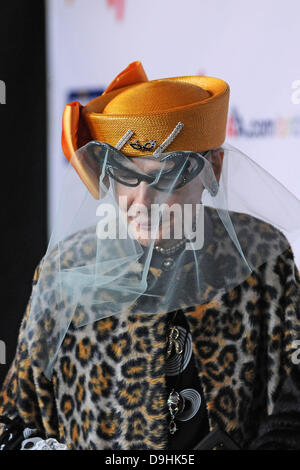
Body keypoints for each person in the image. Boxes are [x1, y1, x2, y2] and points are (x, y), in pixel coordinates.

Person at [1, 61, 300, 451]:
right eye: (127, 173)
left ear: (214, 168)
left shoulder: (260, 254)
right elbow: (13, 419)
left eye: (166, 175)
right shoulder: (68, 269)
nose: (143, 201)